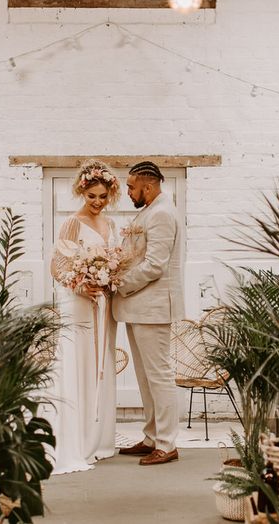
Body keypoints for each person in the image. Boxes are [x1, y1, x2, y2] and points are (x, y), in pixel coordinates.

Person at [48, 159, 121, 473]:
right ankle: (76, 438)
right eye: (92, 196)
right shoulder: (71, 223)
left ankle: (99, 439)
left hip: (104, 304)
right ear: (82, 191)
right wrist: (79, 285)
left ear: (110, 195)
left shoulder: (112, 225)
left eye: (103, 196)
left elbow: (117, 260)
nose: (97, 202)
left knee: (100, 362)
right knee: (78, 363)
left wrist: (109, 279)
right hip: (79, 302)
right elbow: (57, 266)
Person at [113, 160, 184, 466]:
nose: (128, 191)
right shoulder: (149, 211)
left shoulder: (163, 213)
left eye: (131, 186)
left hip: (153, 308)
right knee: (145, 378)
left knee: (159, 376)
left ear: (149, 185)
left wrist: (120, 284)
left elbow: (156, 265)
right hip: (139, 308)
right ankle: (151, 437)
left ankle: (167, 444)